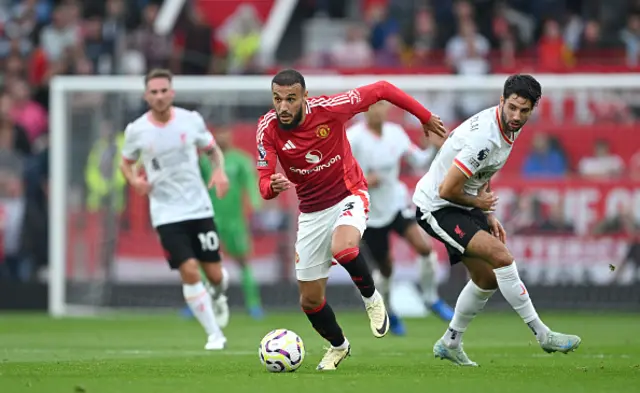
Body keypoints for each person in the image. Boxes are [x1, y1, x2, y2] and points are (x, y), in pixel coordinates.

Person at [256, 69, 447, 370]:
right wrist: (272, 187)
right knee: (309, 300)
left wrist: (424, 117)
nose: (283, 107)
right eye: (277, 99)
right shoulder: (267, 128)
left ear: (304, 97)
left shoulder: (330, 109)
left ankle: (372, 299)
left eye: (291, 99)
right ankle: (338, 346)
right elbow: (264, 184)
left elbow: (382, 88)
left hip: (349, 195)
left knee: (344, 248)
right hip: (311, 212)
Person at [412, 74, 581, 366]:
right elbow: (446, 189)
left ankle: (450, 342)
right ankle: (543, 335)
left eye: (524, 111)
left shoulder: (507, 128)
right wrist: (479, 203)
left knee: (487, 278)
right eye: (512, 107)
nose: (516, 116)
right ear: (502, 101)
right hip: (436, 207)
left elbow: (482, 175)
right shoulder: (485, 138)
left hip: (460, 203)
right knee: (502, 257)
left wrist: (487, 213)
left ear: (532, 109)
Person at [120, 69, 230, 350]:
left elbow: (212, 149)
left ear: (172, 92)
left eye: (163, 90)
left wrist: (219, 171)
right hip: (166, 213)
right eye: (153, 92)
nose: (158, 96)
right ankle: (214, 334)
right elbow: (126, 162)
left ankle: (218, 296)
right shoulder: (136, 130)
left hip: (198, 207)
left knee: (215, 275)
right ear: (146, 96)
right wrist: (135, 181)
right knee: (190, 270)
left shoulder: (190, 120)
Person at [347, 102, 454, 336]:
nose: (377, 111)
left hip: (396, 204)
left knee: (424, 248)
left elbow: (420, 160)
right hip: (370, 214)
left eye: (381, 107)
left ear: (387, 109)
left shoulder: (396, 133)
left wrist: (435, 148)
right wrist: (362, 180)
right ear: (364, 111)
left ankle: (431, 298)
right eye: (372, 107)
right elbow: (338, 173)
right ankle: (390, 312)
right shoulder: (353, 138)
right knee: (386, 269)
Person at [182, 125, 265, 319]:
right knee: (202, 262)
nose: (222, 137)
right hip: (210, 220)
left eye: (225, 132)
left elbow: (251, 186)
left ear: (231, 134)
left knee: (243, 262)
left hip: (235, 222)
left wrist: (257, 209)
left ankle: (254, 305)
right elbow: (196, 186)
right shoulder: (204, 161)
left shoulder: (241, 160)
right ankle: (197, 305)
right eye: (218, 133)